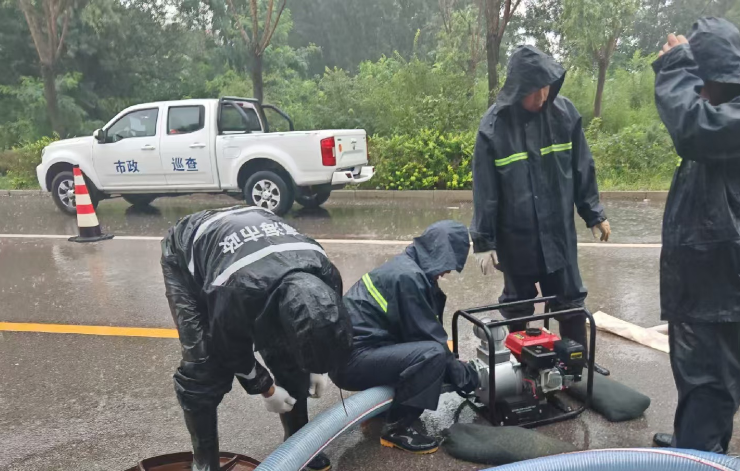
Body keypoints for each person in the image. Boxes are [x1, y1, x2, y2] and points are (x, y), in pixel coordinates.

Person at [650, 18, 740, 453]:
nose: (699, 93)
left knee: (712, 385)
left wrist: (676, 65)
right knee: (695, 378)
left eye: (702, 82)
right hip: (708, 277)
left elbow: (694, 133)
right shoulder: (731, 111)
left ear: (724, 72)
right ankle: (691, 443)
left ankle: (699, 456)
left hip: (730, 282)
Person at [161, 206, 353, 471]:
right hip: (189, 252)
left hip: (253, 251)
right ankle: (204, 463)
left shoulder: (326, 273)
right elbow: (230, 349)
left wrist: (317, 368)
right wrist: (267, 389)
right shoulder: (235, 290)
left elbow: (326, 326)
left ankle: (299, 443)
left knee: (290, 359)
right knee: (203, 365)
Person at [470, 45, 611, 347]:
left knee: (570, 302)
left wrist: (593, 213)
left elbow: (582, 167)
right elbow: (486, 190)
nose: (541, 97)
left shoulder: (565, 115)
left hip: (558, 236)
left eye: (545, 88)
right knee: (517, 307)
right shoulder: (494, 128)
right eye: (533, 91)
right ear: (517, 88)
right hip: (516, 240)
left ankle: (577, 367)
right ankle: (520, 375)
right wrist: (483, 240)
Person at [330, 220, 480, 454]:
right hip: (353, 363)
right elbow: (429, 339)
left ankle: (380, 411)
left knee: (430, 352)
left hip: (351, 355)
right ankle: (397, 428)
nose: (449, 271)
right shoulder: (408, 277)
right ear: (439, 253)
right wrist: (470, 377)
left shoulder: (406, 266)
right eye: (449, 263)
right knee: (433, 355)